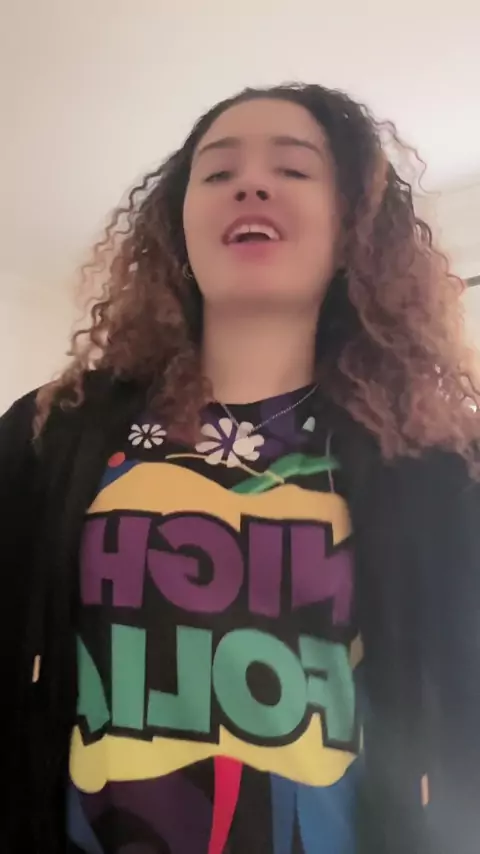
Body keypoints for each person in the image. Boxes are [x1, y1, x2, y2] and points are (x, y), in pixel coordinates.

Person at [2, 83, 480, 854]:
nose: (251, 185)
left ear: (352, 228)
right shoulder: (54, 430)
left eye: (292, 169)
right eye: (219, 172)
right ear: (178, 227)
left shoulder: (434, 462)